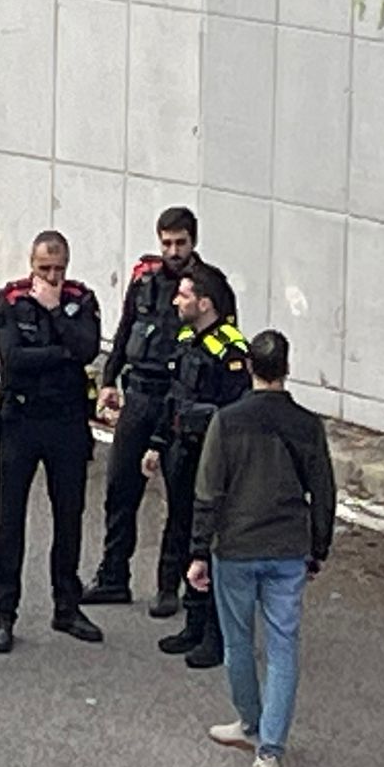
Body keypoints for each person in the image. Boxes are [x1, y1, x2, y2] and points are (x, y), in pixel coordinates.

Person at [185, 330, 335, 767]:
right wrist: (318, 547)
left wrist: (198, 551)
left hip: (236, 545)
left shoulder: (228, 421)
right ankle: (270, 750)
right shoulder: (308, 424)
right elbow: (324, 491)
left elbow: (208, 488)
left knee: (238, 641)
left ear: (250, 366)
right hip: (288, 546)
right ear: (287, 368)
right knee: (283, 646)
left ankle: (250, 723)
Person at [85, 206, 219, 616]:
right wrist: (109, 379)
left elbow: (218, 340)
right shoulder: (144, 280)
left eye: (180, 243)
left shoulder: (208, 285)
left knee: (180, 497)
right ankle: (113, 576)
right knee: (121, 489)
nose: (173, 251)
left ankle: (169, 584)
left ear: (193, 241)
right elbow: (125, 329)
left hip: (178, 399)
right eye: (167, 243)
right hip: (139, 395)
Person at [0, 231, 105, 654]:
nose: (52, 277)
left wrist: (55, 317)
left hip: (67, 421)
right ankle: (3, 613)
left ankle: (67, 606)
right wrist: (62, 352)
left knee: (69, 514)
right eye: (44, 269)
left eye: (58, 269)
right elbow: (13, 359)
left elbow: (88, 348)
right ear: (31, 265)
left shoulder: (80, 300)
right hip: (21, 419)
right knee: (9, 518)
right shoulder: (11, 300)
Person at [145, 264, 250, 667]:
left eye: (184, 295)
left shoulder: (232, 350)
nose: (176, 301)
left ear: (204, 303)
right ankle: (193, 622)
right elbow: (173, 397)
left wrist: (198, 420)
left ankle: (216, 633)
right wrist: (157, 442)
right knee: (186, 532)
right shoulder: (187, 339)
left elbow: (234, 414)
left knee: (211, 542)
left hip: (214, 460)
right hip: (183, 453)